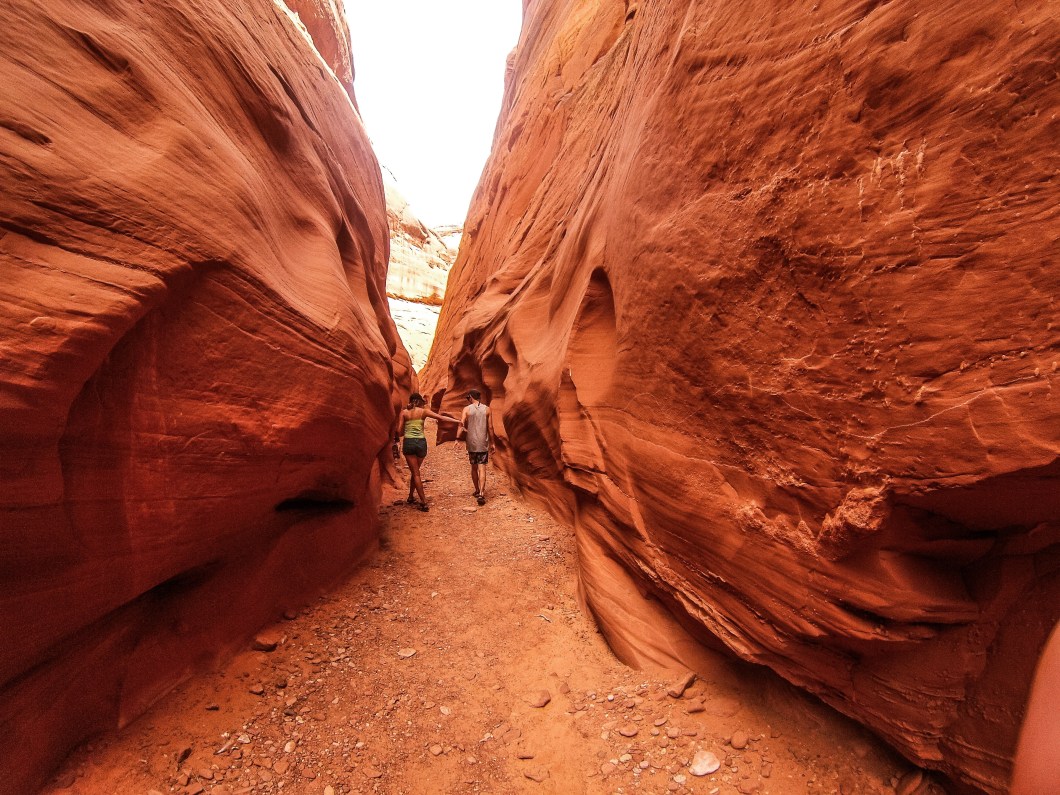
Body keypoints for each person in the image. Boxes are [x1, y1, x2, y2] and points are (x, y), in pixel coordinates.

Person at [394, 393, 460, 512]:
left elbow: (399, 431)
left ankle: (423, 502)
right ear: (418, 401)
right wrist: (457, 421)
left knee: (415, 473)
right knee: (416, 473)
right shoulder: (423, 412)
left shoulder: (404, 413)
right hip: (421, 443)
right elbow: (441, 417)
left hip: (409, 443)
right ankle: (410, 497)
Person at [459, 389, 495, 505]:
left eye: (468, 398)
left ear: (471, 397)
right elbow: (490, 428)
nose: (468, 400)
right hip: (483, 443)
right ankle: (481, 494)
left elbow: (461, 424)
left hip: (471, 443)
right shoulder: (487, 409)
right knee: (482, 468)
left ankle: (476, 490)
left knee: (474, 467)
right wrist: (493, 443)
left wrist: (460, 435)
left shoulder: (467, 409)